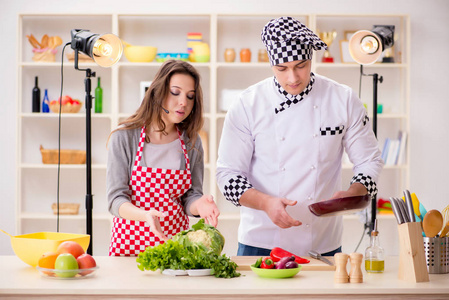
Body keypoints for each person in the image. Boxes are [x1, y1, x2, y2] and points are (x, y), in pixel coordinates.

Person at [216, 16, 383, 257]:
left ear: (311, 58)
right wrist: (265, 203)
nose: (292, 78)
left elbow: (369, 160)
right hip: (260, 241)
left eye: (301, 65)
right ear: (271, 64)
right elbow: (227, 174)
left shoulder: (343, 99)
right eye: (282, 69)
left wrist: (355, 191)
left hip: (323, 242)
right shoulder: (247, 104)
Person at [107, 60, 219, 256]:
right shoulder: (124, 137)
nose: (183, 102)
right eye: (175, 92)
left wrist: (199, 204)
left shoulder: (192, 142)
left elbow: (189, 197)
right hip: (129, 250)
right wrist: (145, 215)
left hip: (175, 250)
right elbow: (115, 200)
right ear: (158, 92)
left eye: (190, 96)